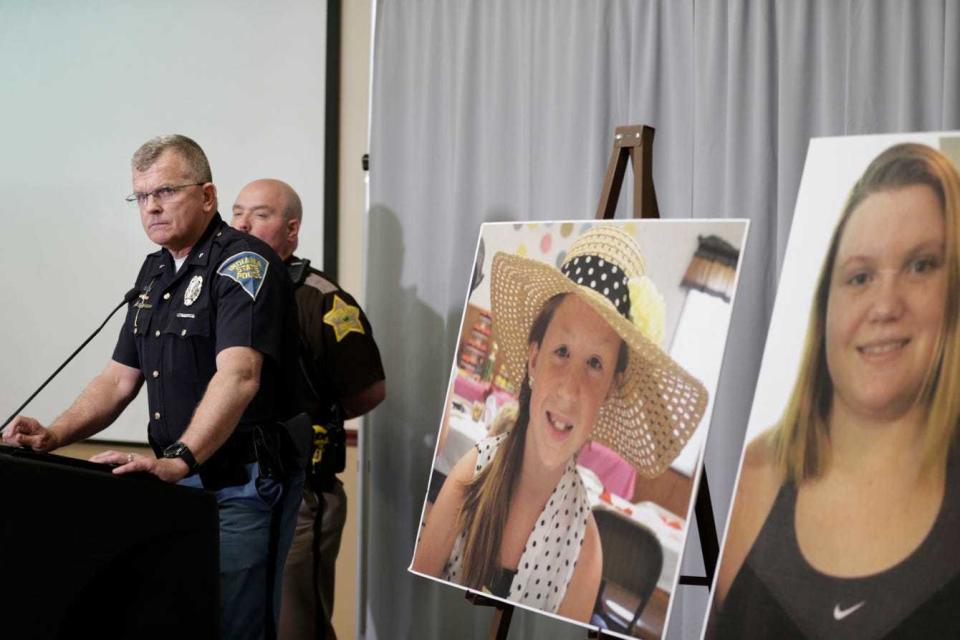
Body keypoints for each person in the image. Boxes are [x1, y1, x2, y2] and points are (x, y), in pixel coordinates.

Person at [2, 135, 305, 640]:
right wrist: (52, 435)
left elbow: (239, 375)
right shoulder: (156, 269)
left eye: (165, 190)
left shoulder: (243, 264)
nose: (152, 207)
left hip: (241, 482)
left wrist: (180, 459)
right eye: (141, 196)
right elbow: (119, 379)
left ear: (207, 196)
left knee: (235, 626)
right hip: (173, 482)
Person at [710, 143, 960, 639]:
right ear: (825, 307)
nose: (885, 305)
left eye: (921, 266)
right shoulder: (751, 480)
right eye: (860, 276)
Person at [411, 225, 708, 622]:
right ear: (534, 360)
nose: (570, 389)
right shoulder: (470, 480)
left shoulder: (584, 557)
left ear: (610, 391)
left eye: (595, 364)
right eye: (562, 352)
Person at [232, 178, 386, 640]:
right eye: (237, 212)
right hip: (229, 489)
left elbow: (368, 391)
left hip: (298, 494)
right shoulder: (223, 291)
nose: (241, 223)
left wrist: (307, 422)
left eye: (259, 214)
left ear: (292, 229)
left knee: (296, 627)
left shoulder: (322, 300)